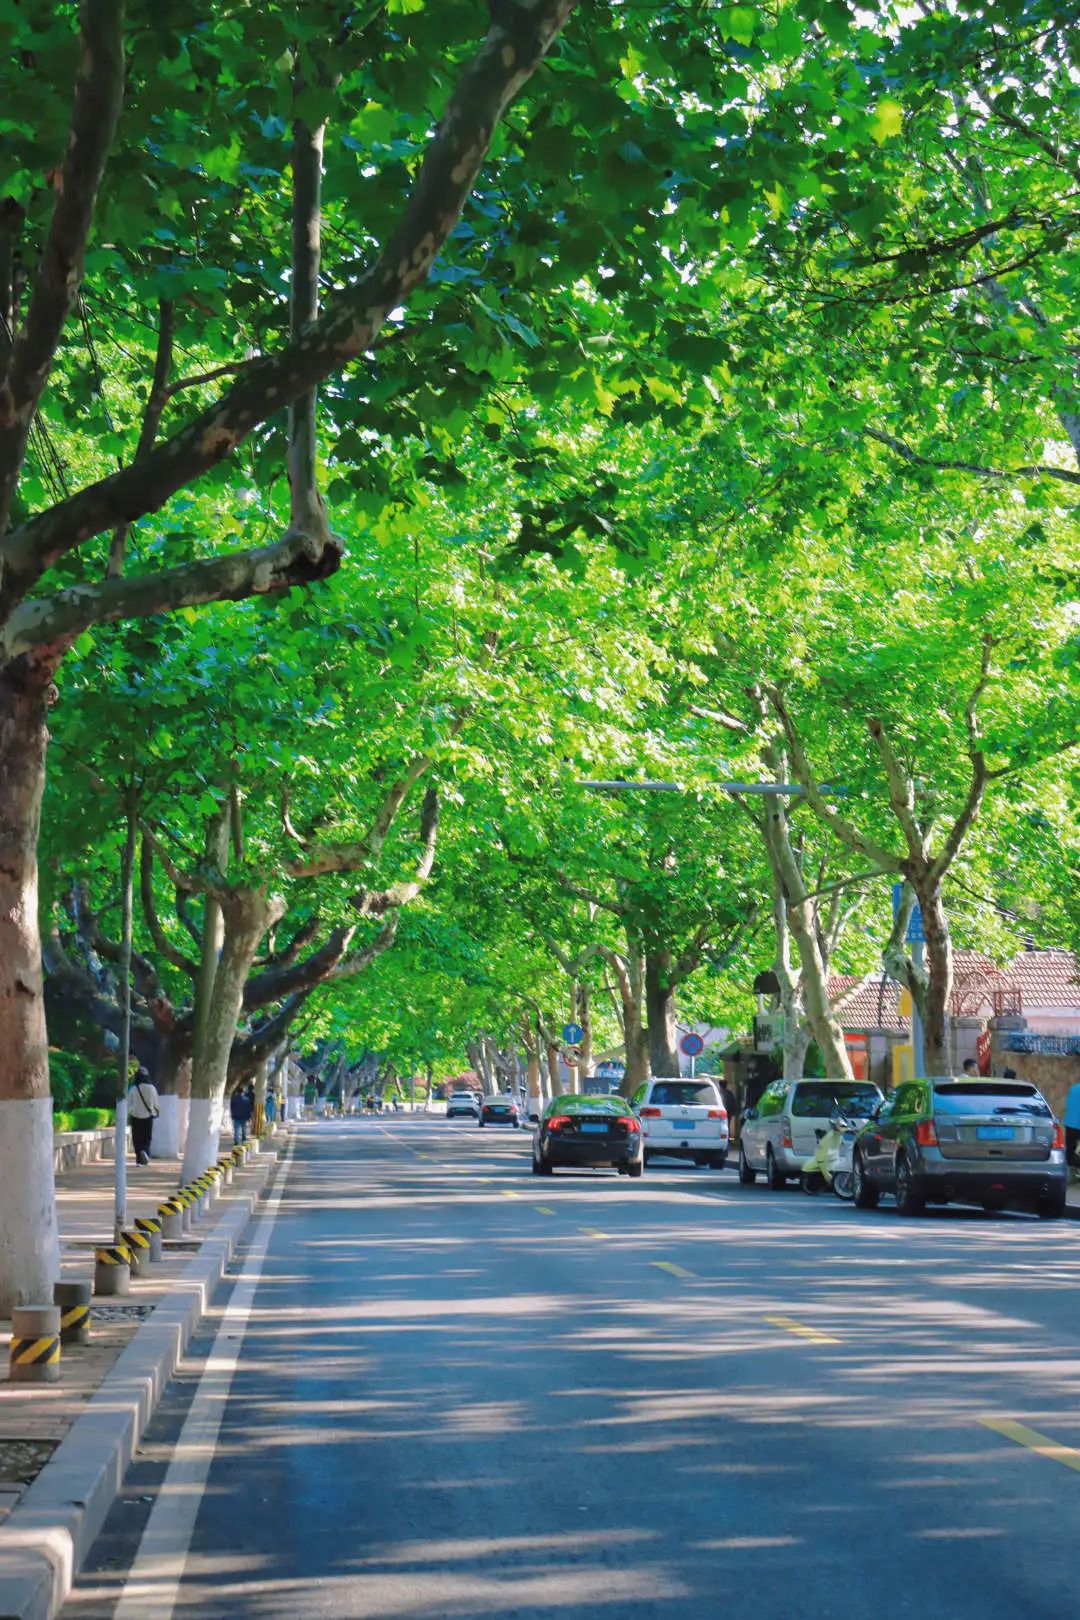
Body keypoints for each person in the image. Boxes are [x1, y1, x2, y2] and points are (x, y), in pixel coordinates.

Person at [126, 1067, 160, 1166]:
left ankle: (138, 1160)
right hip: (148, 1117)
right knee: (147, 1138)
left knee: (137, 1138)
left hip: (136, 1117)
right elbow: (156, 1104)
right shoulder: (152, 1088)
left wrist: (132, 1111)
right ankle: (145, 1153)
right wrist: (154, 1111)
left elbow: (128, 1104)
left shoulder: (133, 1089)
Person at [1064, 1081, 1080, 1174]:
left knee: (1069, 1151)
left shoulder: (1073, 1089)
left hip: (1071, 1124)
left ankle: (1070, 1172)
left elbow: (1068, 1103)